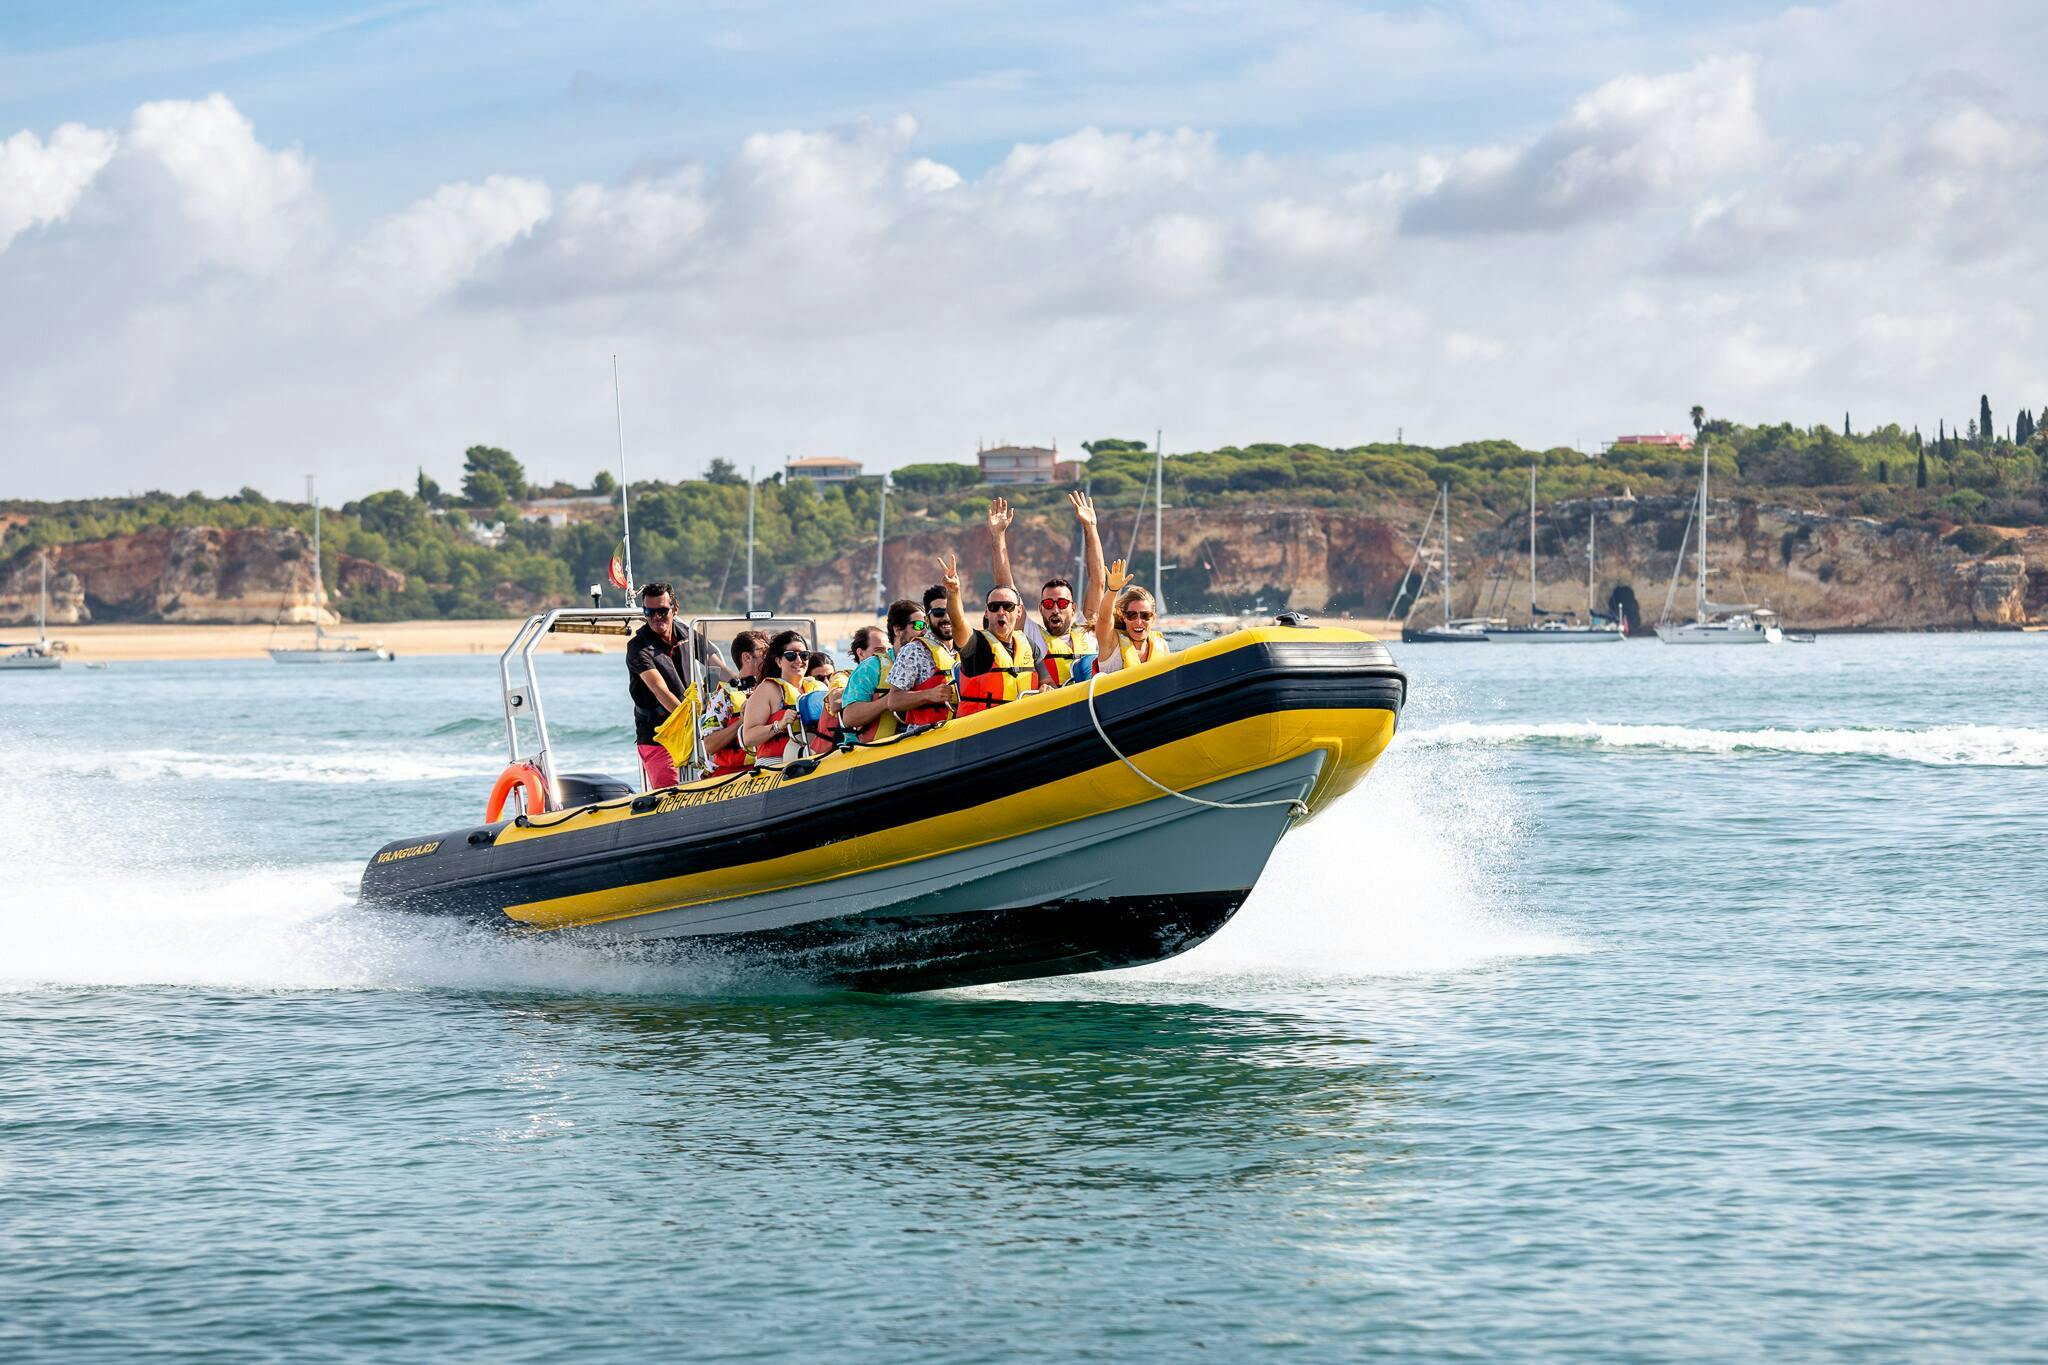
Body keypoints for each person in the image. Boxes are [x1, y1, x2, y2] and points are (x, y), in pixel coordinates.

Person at [987, 490, 1105, 688]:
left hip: (1090, 703)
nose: (1055, 610)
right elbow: (1006, 587)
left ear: (1073, 608)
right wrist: (998, 535)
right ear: (1041, 608)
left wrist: (1090, 527)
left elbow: (1098, 581)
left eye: (1062, 603)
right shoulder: (1032, 635)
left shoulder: (1087, 628)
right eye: (1049, 604)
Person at [940, 549, 1036, 716]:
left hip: (1022, 726)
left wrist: (1046, 687)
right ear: (986, 612)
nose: (1001, 611)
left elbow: (1047, 680)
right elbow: (958, 622)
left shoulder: (1029, 644)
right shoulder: (976, 646)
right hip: (982, 730)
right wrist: (954, 592)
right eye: (994, 607)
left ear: (1019, 611)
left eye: (1008, 606)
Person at [841, 603, 953, 740]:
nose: (924, 631)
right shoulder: (871, 667)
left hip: (919, 741)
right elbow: (849, 717)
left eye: (927, 626)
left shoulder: (930, 661)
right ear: (898, 630)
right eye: (918, 626)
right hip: (872, 751)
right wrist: (888, 701)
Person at [626, 582, 694, 789]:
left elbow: (715, 662)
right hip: (658, 736)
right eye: (649, 612)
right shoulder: (638, 647)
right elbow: (659, 689)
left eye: (662, 611)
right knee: (672, 791)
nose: (656, 617)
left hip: (689, 729)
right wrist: (691, 721)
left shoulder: (686, 633)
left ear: (675, 609)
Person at [882, 590, 957, 732]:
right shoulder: (913, 650)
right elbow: (894, 701)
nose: (946, 617)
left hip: (961, 733)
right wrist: (929, 694)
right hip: (927, 738)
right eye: (939, 612)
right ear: (927, 619)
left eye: (951, 611)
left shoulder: (966, 649)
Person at [741, 629, 815, 763]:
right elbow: (748, 737)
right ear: (779, 661)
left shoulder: (816, 688)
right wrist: (779, 725)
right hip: (776, 763)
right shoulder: (768, 689)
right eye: (791, 655)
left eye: (804, 655)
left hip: (812, 758)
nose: (799, 660)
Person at [1092, 558, 1172, 675]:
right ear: (1124, 617)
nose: (1139, 622)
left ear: (1153, 619)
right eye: (1132, 615)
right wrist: (1112, 590)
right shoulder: (1110, 642)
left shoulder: (1162, 645)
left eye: (1145, 616)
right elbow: (1104, 618)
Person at [701, 628, 766, 772]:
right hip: (734, 773)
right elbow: (710, 745)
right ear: (747, 657)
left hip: (766, 766)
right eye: (764, 653)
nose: (770, 657)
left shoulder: (772, 690)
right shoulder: (724, 696)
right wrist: (742, 722)